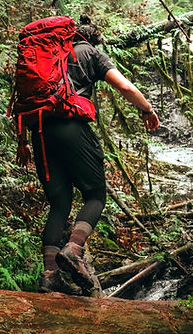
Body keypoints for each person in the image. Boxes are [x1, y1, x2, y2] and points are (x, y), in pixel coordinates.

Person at [34, 15, 160, 295]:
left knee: (59, 204)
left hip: (40, 133)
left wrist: (22, 141)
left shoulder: (46, 55)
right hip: (70, 126)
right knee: (95, 194)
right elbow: (125, 86)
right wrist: (147, 110)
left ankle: (50, 275)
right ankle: (74, 250)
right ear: (91, 39)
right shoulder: (90, 52)